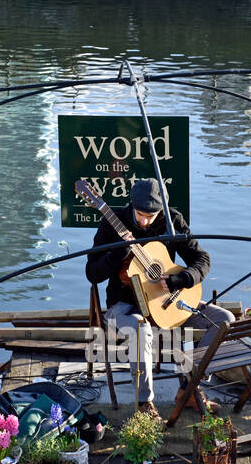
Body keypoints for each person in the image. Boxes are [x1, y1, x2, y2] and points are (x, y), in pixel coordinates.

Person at [86, 178, 235, 416]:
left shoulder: (172, 220)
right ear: (131, 204)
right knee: (140, 329)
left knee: (224, 320)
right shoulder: (111, 223)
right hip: (125, 306)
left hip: (167, 301)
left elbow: (202, 260)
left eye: (151, 216)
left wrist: (181, 279)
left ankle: (190, 387)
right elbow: (91, 273)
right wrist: (116, 254)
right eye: (140, 214)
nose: (144, 221)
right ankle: (145, 404)